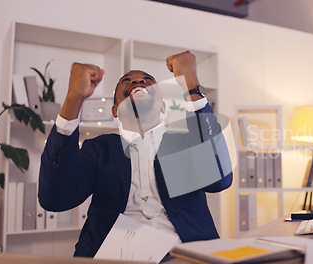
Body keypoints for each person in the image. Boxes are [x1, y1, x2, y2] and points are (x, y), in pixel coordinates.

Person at [38, 51, 233, 258]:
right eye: (127, 80)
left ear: (162, 106)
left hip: (183, 253)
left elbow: (220, 180)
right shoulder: (99, 148)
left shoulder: (185, 142)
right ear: (115, 110)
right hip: (113, 254)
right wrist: (73, 99)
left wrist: (191, 85)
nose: (138, 81)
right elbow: (55, 200)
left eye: (147, 80)